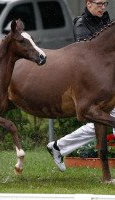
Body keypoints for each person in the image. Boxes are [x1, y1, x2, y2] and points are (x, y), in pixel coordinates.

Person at [47, 0, 112, 172]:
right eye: (99, 3)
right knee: (101, 120)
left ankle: (58, 146)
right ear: (88, 3)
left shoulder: (105, 20)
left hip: (106, 84)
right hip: (92, 86)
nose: (103, 7)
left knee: (99, 123)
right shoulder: (81, 24)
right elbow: (88, 57)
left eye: (105, 3)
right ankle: (58, 146)